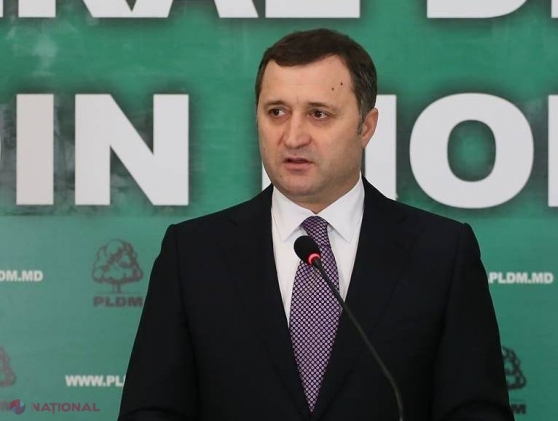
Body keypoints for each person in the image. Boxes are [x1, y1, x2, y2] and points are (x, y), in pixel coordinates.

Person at [118, 28, 513, 421]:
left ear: (366, 126)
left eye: (318, 114)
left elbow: (476, 410)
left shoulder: (441, 253)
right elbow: (151, 410)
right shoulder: (192, 254)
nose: (293, 137)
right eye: (276, 112)